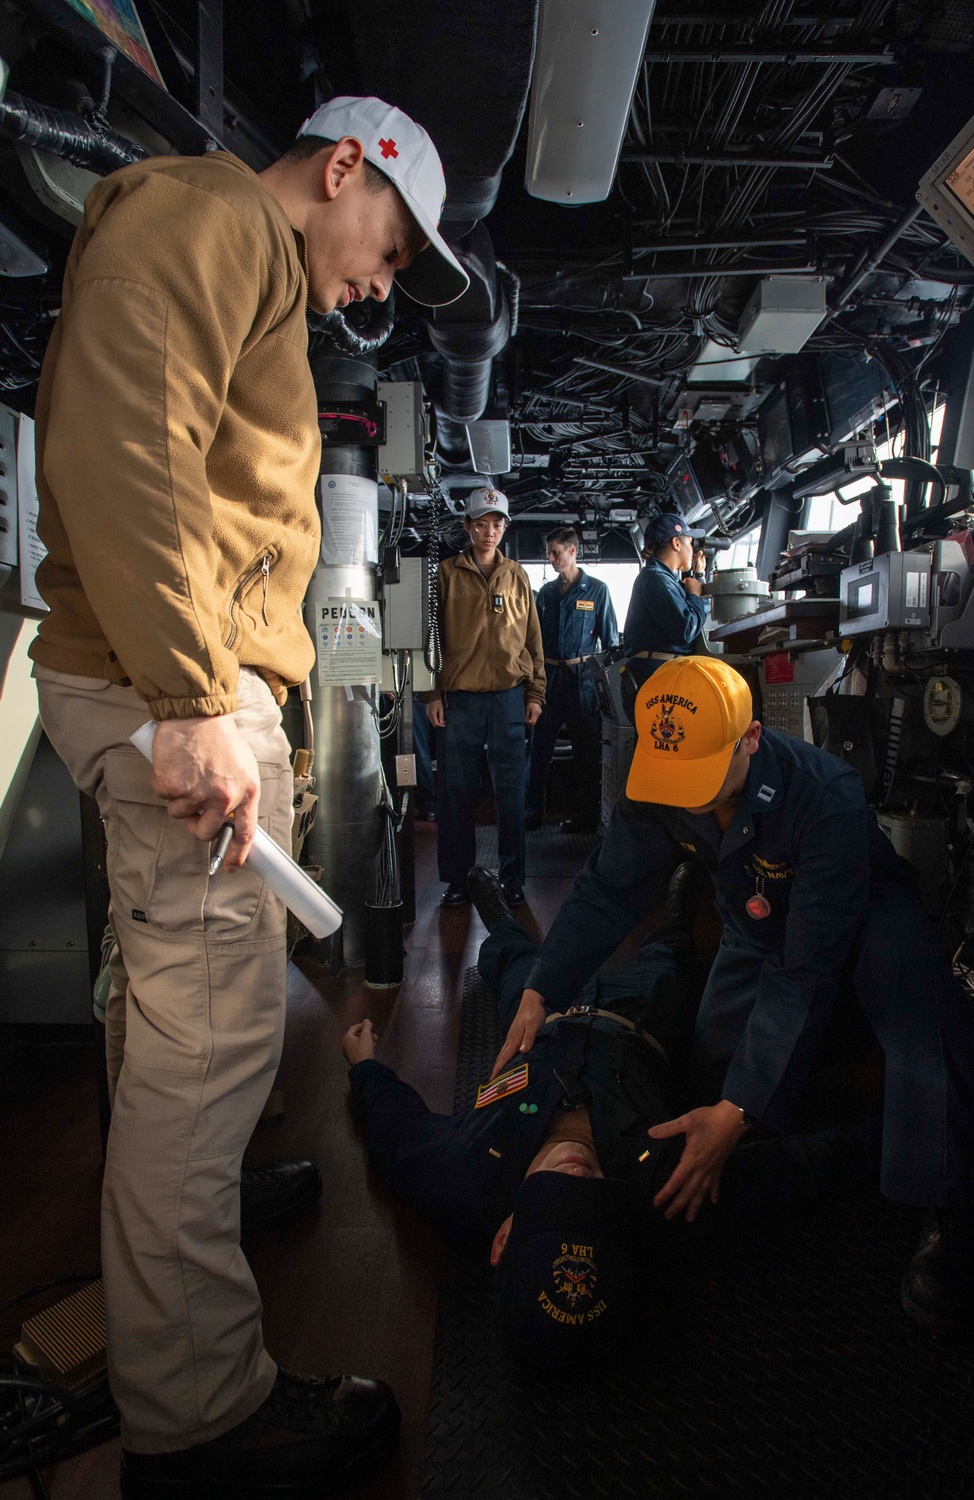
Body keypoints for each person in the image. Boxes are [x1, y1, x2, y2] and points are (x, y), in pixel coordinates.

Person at [29, 95, 468, 1497]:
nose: (377, 285)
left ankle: (192, 1222)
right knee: (205, 1048)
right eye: (389, 249)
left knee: (179, 1030)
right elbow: (128, 435)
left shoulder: (253, 268)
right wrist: (184, 697)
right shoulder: (209, 217)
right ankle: (200, 1419)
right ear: (345, 167)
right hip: (176, 685)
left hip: (197, 683)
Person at [494, 655, 974, 1332]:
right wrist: (539, 989)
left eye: (697, 775)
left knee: (919, 1022)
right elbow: (608, 891)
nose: (680, 792)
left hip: (865, 913)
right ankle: (789, 1123)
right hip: (753, 922)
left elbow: (805, 969)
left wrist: (740, 1110)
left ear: (751, 738)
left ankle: (952, 1212)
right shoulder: (660, 779)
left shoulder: (826, 795)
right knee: (713, 1070)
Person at [342, 866, 881, 1367]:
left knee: (509, 962)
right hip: (640, 1021)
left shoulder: (461, 1176)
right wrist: (913, 1139)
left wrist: (364, 1067)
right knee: (668, 955)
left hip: (540, 1025)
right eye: (593, 1197)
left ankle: (491, 903)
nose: (579, 1175)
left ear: (503, 1236)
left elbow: (397, 1132)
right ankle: (680, 890)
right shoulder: (669, 1188)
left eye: (559, 1196)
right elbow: (802, 1167)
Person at [425, 486, 546, 909]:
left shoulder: (518, 575)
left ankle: (513, 880)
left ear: (504, 528)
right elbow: (431, 639)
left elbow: (533, 639)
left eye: (497, 524)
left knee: (511, 792)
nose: (489, 531)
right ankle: (458, 881)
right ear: (467, 526)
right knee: (455, 791)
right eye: (481, 523)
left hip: (510, 697)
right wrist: (431, 693)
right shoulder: (445, 573)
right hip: (460, 699)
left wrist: (536, 692)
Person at [525, 527, 618, 834]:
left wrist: (606, 689)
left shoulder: (597, 591)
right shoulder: (547, 595)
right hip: (549, 679)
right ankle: (532, 813)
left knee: (587, 755)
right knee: (538, 751)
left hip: (583, 682)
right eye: (549, 553)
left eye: (556, 552)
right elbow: (533, 641)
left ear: (573, 551)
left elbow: (611, 644)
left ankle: (584, 818)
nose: (551, 559)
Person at [622, 512, 711, 706]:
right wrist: (696, 595)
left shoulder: (663, 579)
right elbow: (685, 630)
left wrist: (699, 575)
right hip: (656, 675)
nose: (692, 549)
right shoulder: (656, 578)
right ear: (676, 543)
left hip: (657, 672)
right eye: (689, 542)